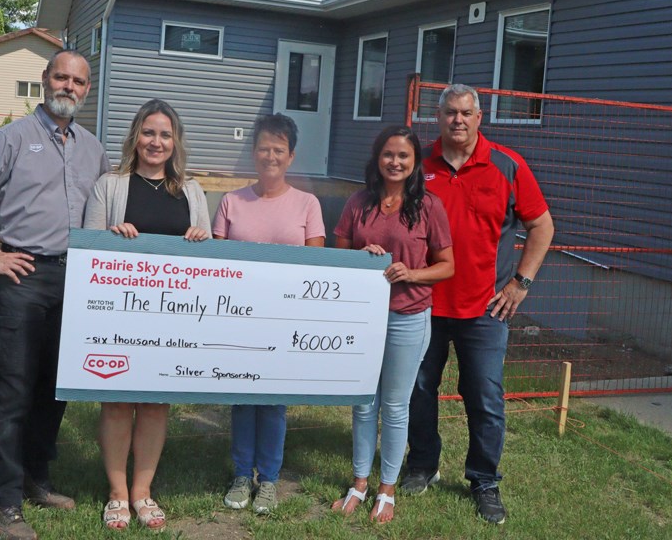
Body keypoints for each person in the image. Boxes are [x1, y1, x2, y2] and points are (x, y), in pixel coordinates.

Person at [0, 49, 110, 540]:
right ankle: (2, 499)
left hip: (75, 280)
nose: (69, 87)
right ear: (44, 80)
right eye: (61, 77)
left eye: (78, 81)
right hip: (24, 276)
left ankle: (36, 477)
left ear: (87, 89)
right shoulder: (13, 137)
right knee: (14, 391)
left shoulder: (92, 148)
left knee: (53, 390)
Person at [402, 84, 555, 525]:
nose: (459, 120)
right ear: (438, 116)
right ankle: (422, 465)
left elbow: (542, 226)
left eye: (467, 112)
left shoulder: (507, 165)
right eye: (451, 112)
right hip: (424, 304)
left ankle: (484, 481)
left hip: (486, 310)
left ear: (480, 116)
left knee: (485, 398)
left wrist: (520, 284)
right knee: (418, 391)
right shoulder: (419, 164)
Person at [83, 99, 211, 531]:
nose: (156, 142)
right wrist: (111, 236)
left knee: (156, 404)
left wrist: (199, 238)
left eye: (165, 135)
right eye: (149, 132)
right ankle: (117, 493)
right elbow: (90, 250)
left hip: (170, 319)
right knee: (118, 401)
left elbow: (209, 262)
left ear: (176, 144)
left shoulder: (191, 192)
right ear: (135, 137)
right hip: (119, 316)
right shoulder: (110, 186)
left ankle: (143, 491)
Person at [330, 126, 455, 524]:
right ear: (377, 158)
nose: (395, 162)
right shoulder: (358, 202)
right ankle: (360, 482)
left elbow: (447, 266)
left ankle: (387, 489)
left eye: (403, 156)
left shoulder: (429, 206)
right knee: (364, 403)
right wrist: (360, 257)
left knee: (396, 406)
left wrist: (412, 274)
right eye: (388, 154)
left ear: (415, 161)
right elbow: (339, 254)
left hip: (408, 317)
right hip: (364, 318)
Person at [212, 113, 325, 514]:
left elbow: (316, 265)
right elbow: (215, 264)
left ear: (291, 156)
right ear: (253, 152)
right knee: (242, 398)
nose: (270, 155)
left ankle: (270, 480)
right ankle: (243, 474)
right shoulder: (231, 201)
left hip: (285, 322)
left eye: (279, 149)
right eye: (263, 148)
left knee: (274, 401)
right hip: (239, 320)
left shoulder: (308, 204)